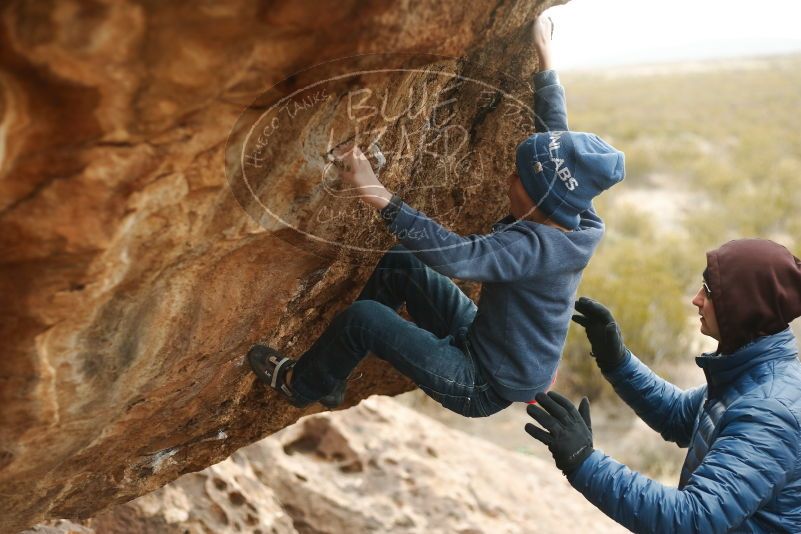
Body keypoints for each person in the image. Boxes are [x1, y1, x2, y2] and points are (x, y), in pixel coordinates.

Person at [247, 15, 624, 416]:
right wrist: (546, 60)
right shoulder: (573, 212)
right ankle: (333, 373)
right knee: (400, 262)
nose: (509, 178)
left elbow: (457, 256)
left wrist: (378, 195)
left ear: (540, 202)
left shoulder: (535, 249)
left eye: (520, 180)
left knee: (364, 318)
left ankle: (300, 385)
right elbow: (554, 136)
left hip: (481, 383)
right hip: (483, 342)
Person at [525, 238, 801, 532]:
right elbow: (680, 415)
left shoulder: (768, 412)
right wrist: (617, 361)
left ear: (744, 307)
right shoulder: (748, 374)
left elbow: (693, 519)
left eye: (708, 291)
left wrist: (584, 462)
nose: (696, 299)